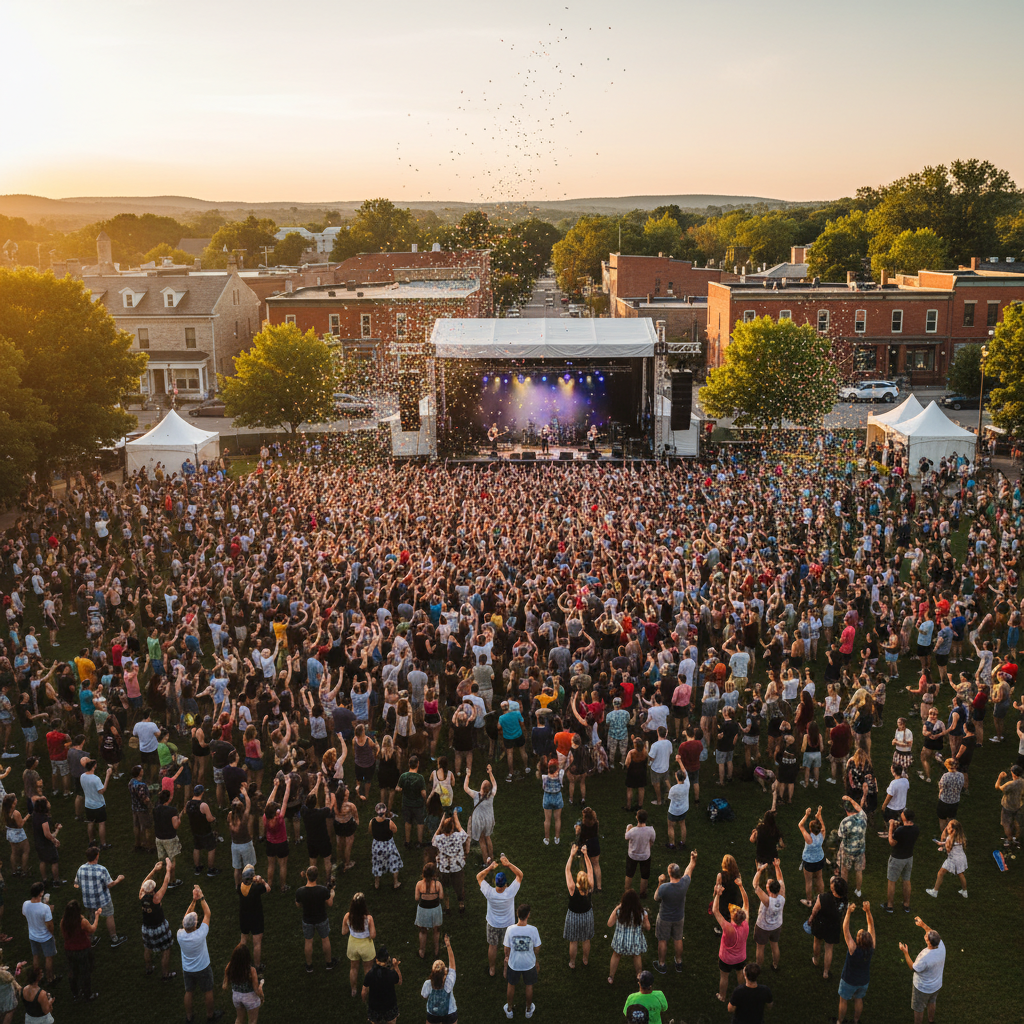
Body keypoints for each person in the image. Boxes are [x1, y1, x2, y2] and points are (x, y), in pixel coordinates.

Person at [177, 885, 223, 1024]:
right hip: (203, 967)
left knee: (189, 992)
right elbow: (208, 914)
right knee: (208, 991)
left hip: (187, 969)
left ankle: (189, 1017)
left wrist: (193, 901)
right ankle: (210, 1016)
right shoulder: (200, 934)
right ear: (195, 925)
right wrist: (201, 897)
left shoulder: (180, 935)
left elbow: (186, 918)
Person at [477, 855, 523, 978]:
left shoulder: (489, 892)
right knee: (507, 946)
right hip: (508, 925)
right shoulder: (510, 892)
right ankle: (506, 969)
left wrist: (490, 868)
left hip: (492, 923)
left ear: (495, 882)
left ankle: (492, 969)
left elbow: (478, 877)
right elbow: (520, 875)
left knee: (492, 946)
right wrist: (508, 864)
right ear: (505, 883)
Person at [73, 846, 126, 947]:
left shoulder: (81, 868)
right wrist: (118, 879)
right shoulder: (102, 870)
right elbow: (109, 885)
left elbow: (76, 885)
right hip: (103, 900)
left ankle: (91, 939)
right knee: (109, 915)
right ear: (97, 856)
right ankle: (114, 939)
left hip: (88, 901)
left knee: (91, 919)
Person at [652, 851, 696, 974]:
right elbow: (690, 868)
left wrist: (660, 882)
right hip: (679, 917)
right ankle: (678, 962)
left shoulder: (664, 887)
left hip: (664, 918)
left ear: (670, 874)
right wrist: (693, 859)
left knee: (662, 940)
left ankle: (661, 964)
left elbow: (656, 898)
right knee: (678, 939)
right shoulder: (684, 883)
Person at [898, 918, 945, 1024]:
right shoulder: (941, 945)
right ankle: (931, 1021)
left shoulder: (925, 958)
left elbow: (913, 967)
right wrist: (923, 925)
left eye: (927, 936)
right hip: (936, 985)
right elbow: (931, 931)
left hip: (922, 988)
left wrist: (905, 952)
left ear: (929, 942)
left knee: (919, 1009)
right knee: (932, 1001)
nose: (926, 934)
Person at [712, 874, 749, 1003]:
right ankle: (742, 992)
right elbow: (746, 903)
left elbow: (715, 911)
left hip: (726, 958)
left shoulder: (727, 928)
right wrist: (741, 886)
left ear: (732, 918)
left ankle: (722, 996)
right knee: (740, 973)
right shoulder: (746, 924)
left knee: (724, 976)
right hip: (740, 957)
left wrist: (717, 894)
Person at [836, 901, 875, 1024]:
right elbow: (871, 925)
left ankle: (839, 1021)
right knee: (859, 999)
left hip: (848, 980)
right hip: (863, 981)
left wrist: (848, 912)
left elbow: (845, 929)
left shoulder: (853, 948)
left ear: (857, 941)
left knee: (843, 1001)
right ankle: (856, 1021)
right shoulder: (872, 947)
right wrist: (868, 911)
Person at [139, 858, 176, 980]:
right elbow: (166, 882)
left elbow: (144, 883)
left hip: (146, 927)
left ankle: (149, 969)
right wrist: (168, 869)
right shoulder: (156, 898)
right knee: (166, 949)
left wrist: (154, 870)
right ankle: (165, 974)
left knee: (147, 948)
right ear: (153, 889)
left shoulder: (141, 896)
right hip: (159, 927)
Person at [503, 903, 541, 1019]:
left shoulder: (510, 930)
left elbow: (506, 948)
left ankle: (509, 1010)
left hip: (514, 964)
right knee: (529, 985)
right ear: (528, 915)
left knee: (511, 985)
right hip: (529, 964)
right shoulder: (533, 930)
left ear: (517, 914)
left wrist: (506, 959)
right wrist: (534, 957)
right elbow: (537, 947)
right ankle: (528, 1010)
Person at [295, 865, 336, 972]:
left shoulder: (300, 891)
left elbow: (298, 905)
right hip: (321, 919)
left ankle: (309, 966)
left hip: (307, 920)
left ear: (307, 876)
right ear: (316, 877)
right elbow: (330, 903)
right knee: (325, 939)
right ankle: (329, 963)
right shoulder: (322, 890)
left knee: (308, 942)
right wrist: (332, 893)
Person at [807, 874, 848, 980]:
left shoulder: (823, 897)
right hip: (834, 926)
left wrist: (811, 918)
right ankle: (826, 972)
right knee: (829, 949)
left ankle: (816, 960)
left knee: (817, 941)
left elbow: (815, 910)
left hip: (820, 924)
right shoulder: (844, 900)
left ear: (834, 890)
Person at [879, 808, 919, 913]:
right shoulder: (916, 829)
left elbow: (892, 842)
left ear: (905, 817)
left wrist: (891, 827)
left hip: (897, 858)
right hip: (909, 857)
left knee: (892, 881)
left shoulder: (900, 831)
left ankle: (890, 906)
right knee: (906, 880)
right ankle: (906, 905)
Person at [562, 842, 594, 969]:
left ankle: (572, 962)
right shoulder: (590, 887)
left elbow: (567, 870)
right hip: (587, 915)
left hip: (573, 916)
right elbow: (590, 869)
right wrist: (586, 855)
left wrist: (571, 855)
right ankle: (585, 959)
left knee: (573, 941)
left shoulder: (572, 888)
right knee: (586, 939)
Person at [607, 888, 649, 984]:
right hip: (635, 940)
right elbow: (648, 927)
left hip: (620, 940)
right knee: (636, 956)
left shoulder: (619, 912)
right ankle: (639, 976)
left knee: (616, 955)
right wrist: (646, 919)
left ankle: (611, 976)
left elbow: (609, 924)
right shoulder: (641, 913)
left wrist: (616, 908)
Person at [60, 899, 99, 1001]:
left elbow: (64, 935)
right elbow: (92, 929)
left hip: (69, 951)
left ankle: (75, 993)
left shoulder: (63, 922)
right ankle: (88, 994)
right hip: (83, 950)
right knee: (85, 972)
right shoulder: (82, 922)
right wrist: (97, 916)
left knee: (73, 972)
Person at [22, 883, 58, 986]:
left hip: (33, 936)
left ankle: (37, 977)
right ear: (41, 893)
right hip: (45, 937)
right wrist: (52, 935)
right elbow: (50, 926)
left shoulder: (25, 904)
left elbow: (25, 914)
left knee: (36, 956)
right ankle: (50, 978)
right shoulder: (45, 909)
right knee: (48, 957)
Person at [751, 859, 785, 970]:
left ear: (768, 889)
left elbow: (755, 885)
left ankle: (758, 967)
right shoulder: (782, 896)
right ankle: (775, 965)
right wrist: (777, 867)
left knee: (760, 948)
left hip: (763, 927)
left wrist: (759, 871)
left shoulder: (767, 901)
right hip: (776, 926)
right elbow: (780, 879)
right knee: (775, 945)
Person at [341, 892, 376, 999]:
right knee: (368, 969)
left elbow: (344, 932)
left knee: (354, 968)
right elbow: (373, 935)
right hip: (366, 946)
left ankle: (353, 989)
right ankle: (367, 990)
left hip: (353, 945)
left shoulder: (347, 916)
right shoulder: (368, 918)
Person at [432, 810, 467, 914]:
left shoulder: (438, 839)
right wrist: (456, 818)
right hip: (457, 867)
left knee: (445, 887)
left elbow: (434, 837)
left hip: (444, 868)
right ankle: (461, 905)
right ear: (452, 828)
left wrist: (440, 824)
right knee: (459, 886)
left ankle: (447, 907)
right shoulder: (458, 836)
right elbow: (461, 830)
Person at [222, 942, 263, 1024]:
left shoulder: (229, 966)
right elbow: (256, 990)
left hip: (236, 997)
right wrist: (261, 988)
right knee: (252, 1021)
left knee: (239, 1019)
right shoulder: (251, 970)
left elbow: (225, 986)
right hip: (250, 998)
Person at [926, 819, 968, 899]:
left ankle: (935, 891)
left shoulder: (949, 838)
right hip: (961, 858)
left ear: (953, 830)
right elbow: (951, 844)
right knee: (961, 874)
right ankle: (964, 891)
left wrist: (942, 848)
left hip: (952, 859)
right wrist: (942, 844)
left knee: (940, 873)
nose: (947, 828)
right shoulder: (960, 837)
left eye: (948, 827)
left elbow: (948, 849)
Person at [463, 766, 497, 866]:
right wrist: (490, 773)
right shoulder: (491, 795)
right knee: (488, 837)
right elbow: (494, 784)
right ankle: (492, 857)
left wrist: (467, 776)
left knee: (482, 841)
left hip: (479, 821)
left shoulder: (476, 795)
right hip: (489, 820)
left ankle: (486, 862)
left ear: (481, 788)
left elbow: (465, 788)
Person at [236, 865, 267, 974]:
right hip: (256, 917)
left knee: (243, 940)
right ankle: (257, 966)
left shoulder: (239, 887)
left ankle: (240, 963)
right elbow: (268, 888)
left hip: (244, 917)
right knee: (257, 943)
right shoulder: (256, 888)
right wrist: (262, 880)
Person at [187, 785, 220, 879]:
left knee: (197, 847)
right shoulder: (203, 805)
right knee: (211, 848)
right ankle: (211, 869)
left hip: (194, 830)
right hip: (205, 830)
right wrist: (214, 818)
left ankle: (197, 868)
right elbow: (209, 819)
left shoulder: (188, 803)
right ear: (202, 793)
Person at [421, 935, 456, 1024]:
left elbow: (424, 996)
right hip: (449, 1013)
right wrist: (448, 945)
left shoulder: (428, 983)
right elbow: (452, 965)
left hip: (433, 1013)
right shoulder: (449, 982)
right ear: (445, 972)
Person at [837, 794, 867, 897]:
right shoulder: (863, 816)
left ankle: (844, 891)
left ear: (846, 810)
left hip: (847, 851)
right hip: (860, 850)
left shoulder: (845, 822)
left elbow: (840, 835)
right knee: (859, 871)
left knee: (844, 871)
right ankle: (858, 891)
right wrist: (850, 798)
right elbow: (859, 808)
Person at [79, 759, 114, 849]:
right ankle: (103, 844)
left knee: (90, 822)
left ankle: (91, 841)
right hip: (98, 805)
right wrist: (107, 776)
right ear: (94, 767)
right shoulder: (95, 779)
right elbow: (102, 790)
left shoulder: (82, 776)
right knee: (101, 823)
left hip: (88, 805)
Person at [363, 946, 402, 1024]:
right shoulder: (391, 974)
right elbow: (399, 982)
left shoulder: (370, 974)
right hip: (390, 1005)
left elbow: (364, 991)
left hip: (374, 1006)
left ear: (376, 959)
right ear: (388, 960)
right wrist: (396, 967)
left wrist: (365, 1002)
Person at [368, 803, 403, 890]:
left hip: (377, 845)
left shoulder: (372, 821)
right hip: (388, 845)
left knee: (377, 863)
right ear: (385, 811)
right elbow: (395, 830)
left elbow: (370, 831)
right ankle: (396, 883)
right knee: (393, 861)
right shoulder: (389, 822)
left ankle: (377, 883)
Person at [414, 863, 444, 960]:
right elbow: (441, 897)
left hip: (423, 910)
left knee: (423, 931)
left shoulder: (419, 884)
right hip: (435, 909)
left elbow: (416, 898)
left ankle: (422, 951)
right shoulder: (437, 884)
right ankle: (436, 950)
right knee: (436, 930)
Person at [797, 806, 826, 906]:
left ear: (810, 829)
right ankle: (821, 899)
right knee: (819, 878)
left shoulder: (809, 838)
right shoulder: (822, 834)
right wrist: (819, 815)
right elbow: (822, 826)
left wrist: (806, 815)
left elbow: (800, 825)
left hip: (809, 861)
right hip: (819, 859)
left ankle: (809, 901)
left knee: (808, 881)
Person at [396, 755, 427, 849]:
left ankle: (407, 842)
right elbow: (423, 793)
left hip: (406, 803)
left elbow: (398, 788)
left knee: (408, 822)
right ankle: (419, 842)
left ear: (409, 764)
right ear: (417, 764)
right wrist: (425, 800)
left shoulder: (403, 776)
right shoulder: (420, 778)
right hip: (418, 804)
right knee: (420, 822)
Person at [624, 809, 656, 898]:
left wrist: (628, 828)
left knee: (629, 874)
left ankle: (627, 892)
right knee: (644, 876)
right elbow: (652, 840)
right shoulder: (650, 830)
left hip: (632, 855)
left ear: (637, 818)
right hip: (645, 856)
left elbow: (626, 836)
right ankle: (643, 893)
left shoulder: (633, 831)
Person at [995, 764, 1023, 848]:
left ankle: (1009, 839)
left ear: (1013, 774)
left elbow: (998, 787)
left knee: (1006, 823)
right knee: (1016, 822)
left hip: (1008, 806)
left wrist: (1000, 777)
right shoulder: (1023, 781)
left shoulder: (1011, 785)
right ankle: (1016, 838)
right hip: (1018, 805)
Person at [664, 769, 690, 850]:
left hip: (673, 811)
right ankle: (682, 842)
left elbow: (669, 797)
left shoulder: (673, 789)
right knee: (682, 824)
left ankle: (672, 843)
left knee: (671, 826)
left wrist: (668, 785)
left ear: (677, 777)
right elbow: (685, 771)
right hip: (684, 809)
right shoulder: (687, 785)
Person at [541, 757, 564, 846]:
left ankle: (547, 839)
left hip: (547, 797)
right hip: (557, 796)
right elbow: (563, 768)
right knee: (557, 819)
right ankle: (557, 838)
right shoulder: (560, 774)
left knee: (547, 820)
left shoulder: (544, 777)